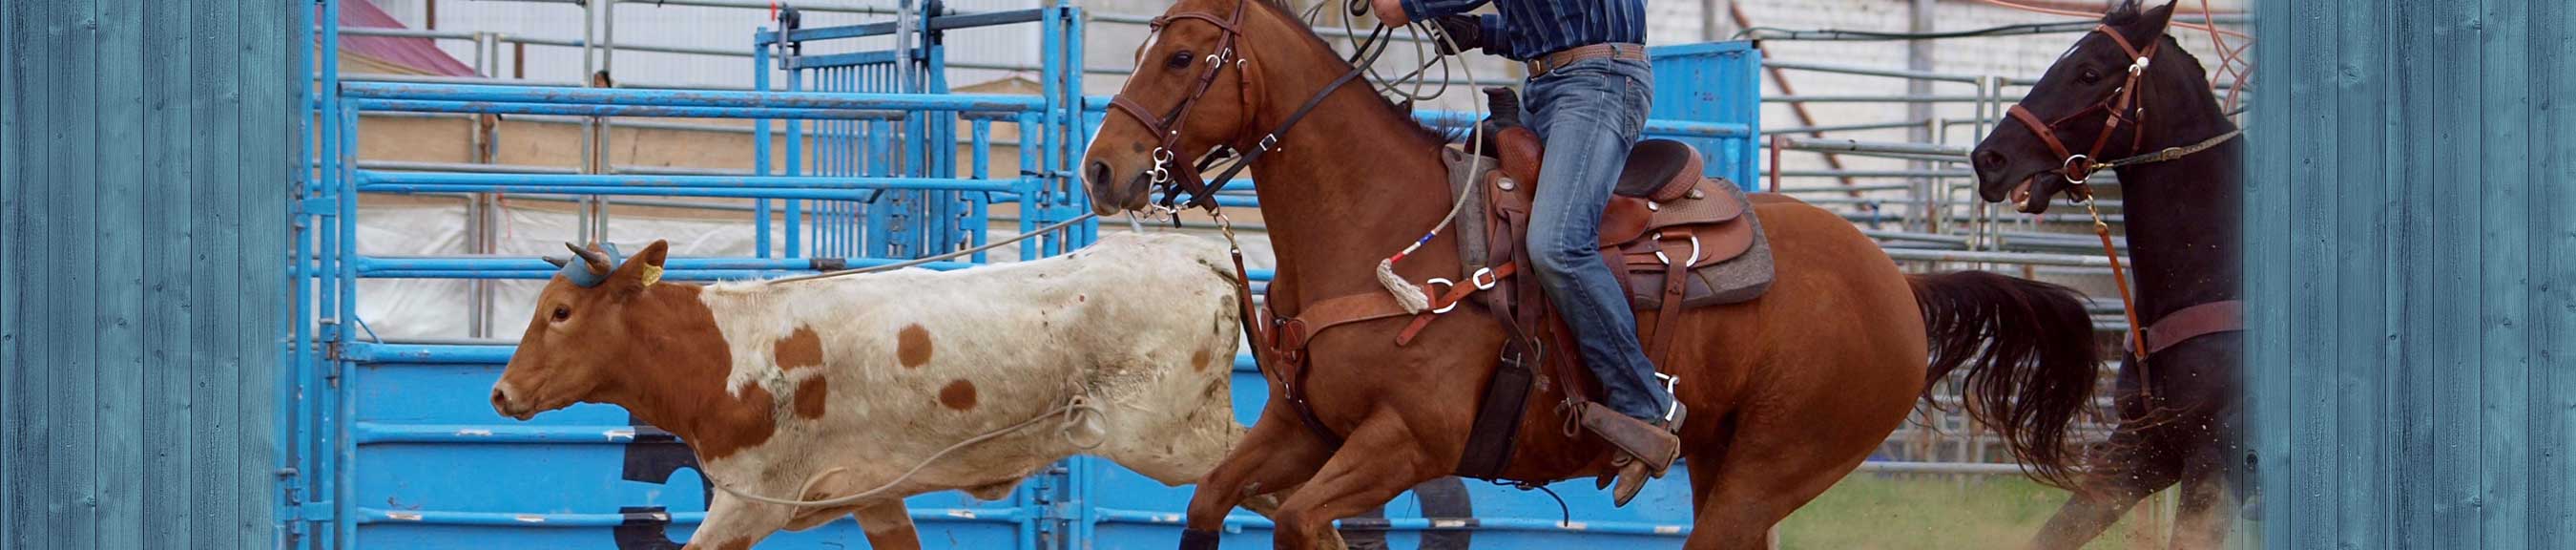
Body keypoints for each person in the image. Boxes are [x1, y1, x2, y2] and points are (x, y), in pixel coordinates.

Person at [1370, 0, 1680, 506]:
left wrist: (1409, 6)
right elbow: (1557, 23)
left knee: (1558, 244)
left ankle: (1646, 403)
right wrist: (1480, 32)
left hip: (1599, 84)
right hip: (1551, 84)